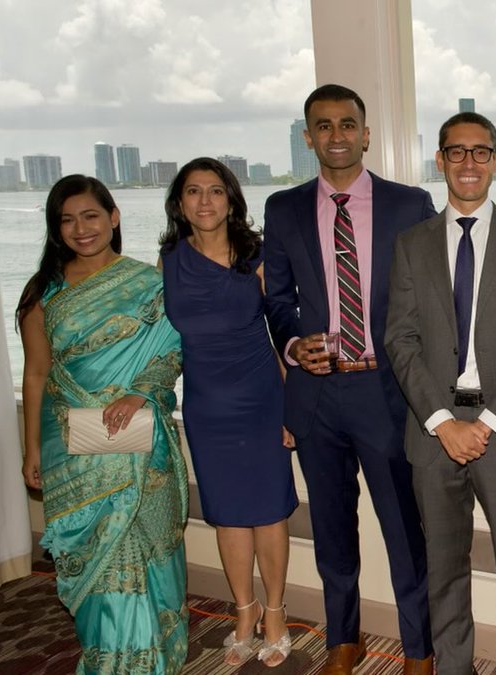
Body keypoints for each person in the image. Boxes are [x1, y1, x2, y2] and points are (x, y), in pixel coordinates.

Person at [262, 84, 435, 675]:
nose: (336, 135)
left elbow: (443, 285)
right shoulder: (282, 209)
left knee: (403, 531)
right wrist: (290, 344)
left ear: (366, 133)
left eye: (346, 124)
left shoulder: (409, 205)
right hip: (316, 396)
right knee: (333, 529)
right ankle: (344, 639)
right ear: (307, 136)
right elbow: (277, 298)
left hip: (386, 392)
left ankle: (419, 647)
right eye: (323, 126)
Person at [385, 111, 496, 675]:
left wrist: (486, 423)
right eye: (455, 152)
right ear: (440, 160)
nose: (468, 162)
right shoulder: (411, 245)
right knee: (443, 567)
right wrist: (443, 421)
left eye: (480, 151)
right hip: (434, 431)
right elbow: (400, 340)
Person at [18, 175, 187, 674]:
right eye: (66, 220)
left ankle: (153, 656)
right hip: (71, 438)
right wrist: (29, 448)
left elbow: (174, 352)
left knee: (139, 537)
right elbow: (36, 373)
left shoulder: (149, 285)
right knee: (98, 551)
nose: (80, 228)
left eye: (90, 216)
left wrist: (139, 393)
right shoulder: (45, 293)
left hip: (137, 427)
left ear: (113, 217)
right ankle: (113, 657)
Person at [160, 157, 299, 668]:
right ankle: (244, 612)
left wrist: (294, 409)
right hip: (204, 406)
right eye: (193, 192)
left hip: (261, 400)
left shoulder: (258, 257)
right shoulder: (169, 261)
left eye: (215, 191)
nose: (204, 201)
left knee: (267, 511)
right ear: (179, 203)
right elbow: (159, 342)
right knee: (226, 516)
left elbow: (283, 334)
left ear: (231, 200)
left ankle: (277, 614)